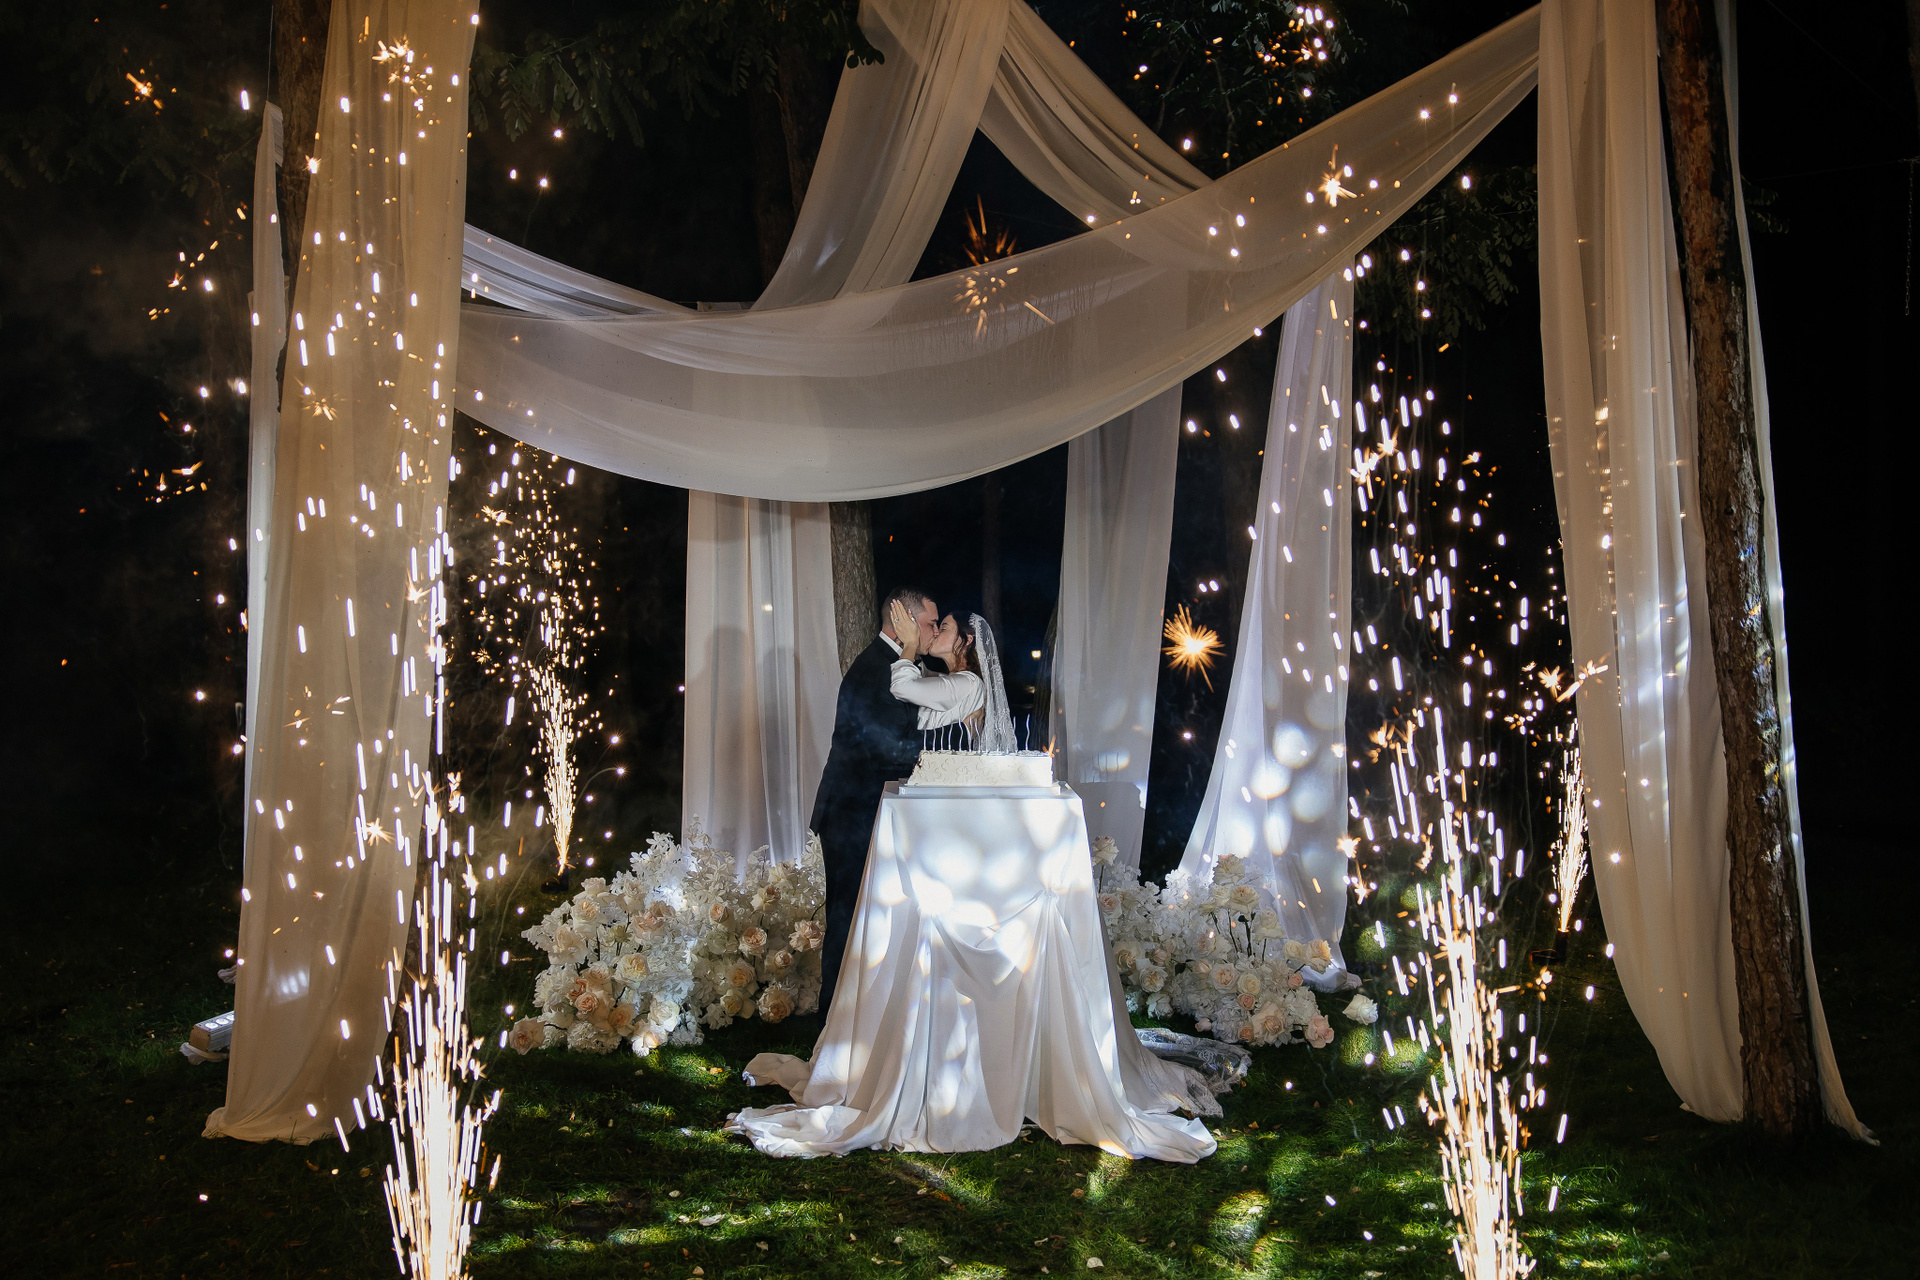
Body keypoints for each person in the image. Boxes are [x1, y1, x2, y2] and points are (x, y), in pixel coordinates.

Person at [809, 587, 978, 1014]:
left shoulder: (896, 665)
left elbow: (912, 726)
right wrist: (946, 750)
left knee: (873, 917)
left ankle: (866, 1014)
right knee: (848, 917)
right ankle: (832, 1019)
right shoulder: (874, 668)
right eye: (930, 623)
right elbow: (884, 748)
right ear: (902, 619)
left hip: (871, 810)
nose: (934, 631)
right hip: (852, 812)